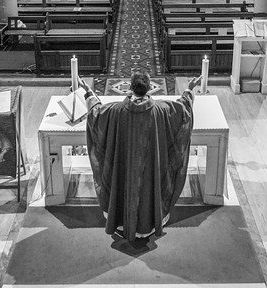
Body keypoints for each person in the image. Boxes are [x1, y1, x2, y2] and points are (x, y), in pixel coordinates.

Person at [80, 71, 201, 245]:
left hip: (124, 167)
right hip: (151, 168)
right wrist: (189, 89)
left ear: (130, 87)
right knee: (149, 186)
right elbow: (183, 110)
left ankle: (121, 221)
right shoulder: (161, 110)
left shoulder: (116, 111)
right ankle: (149, 222)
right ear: (150, 88)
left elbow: (96, 114)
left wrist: (88, 92)